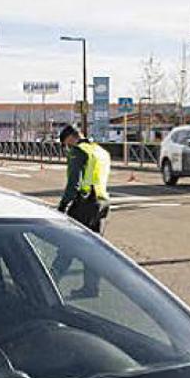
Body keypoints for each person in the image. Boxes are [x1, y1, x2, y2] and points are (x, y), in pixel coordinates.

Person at [53, 125, 110, 298]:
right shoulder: (100, 151)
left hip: (85, 203)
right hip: (102, 202)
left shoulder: (78, 151)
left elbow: (73, 184)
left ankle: (44, 286)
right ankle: (91, 287)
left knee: (67, 245)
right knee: (93, 248)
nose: (66, 148)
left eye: (65, 143)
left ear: (70, 138)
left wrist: (62, 207)